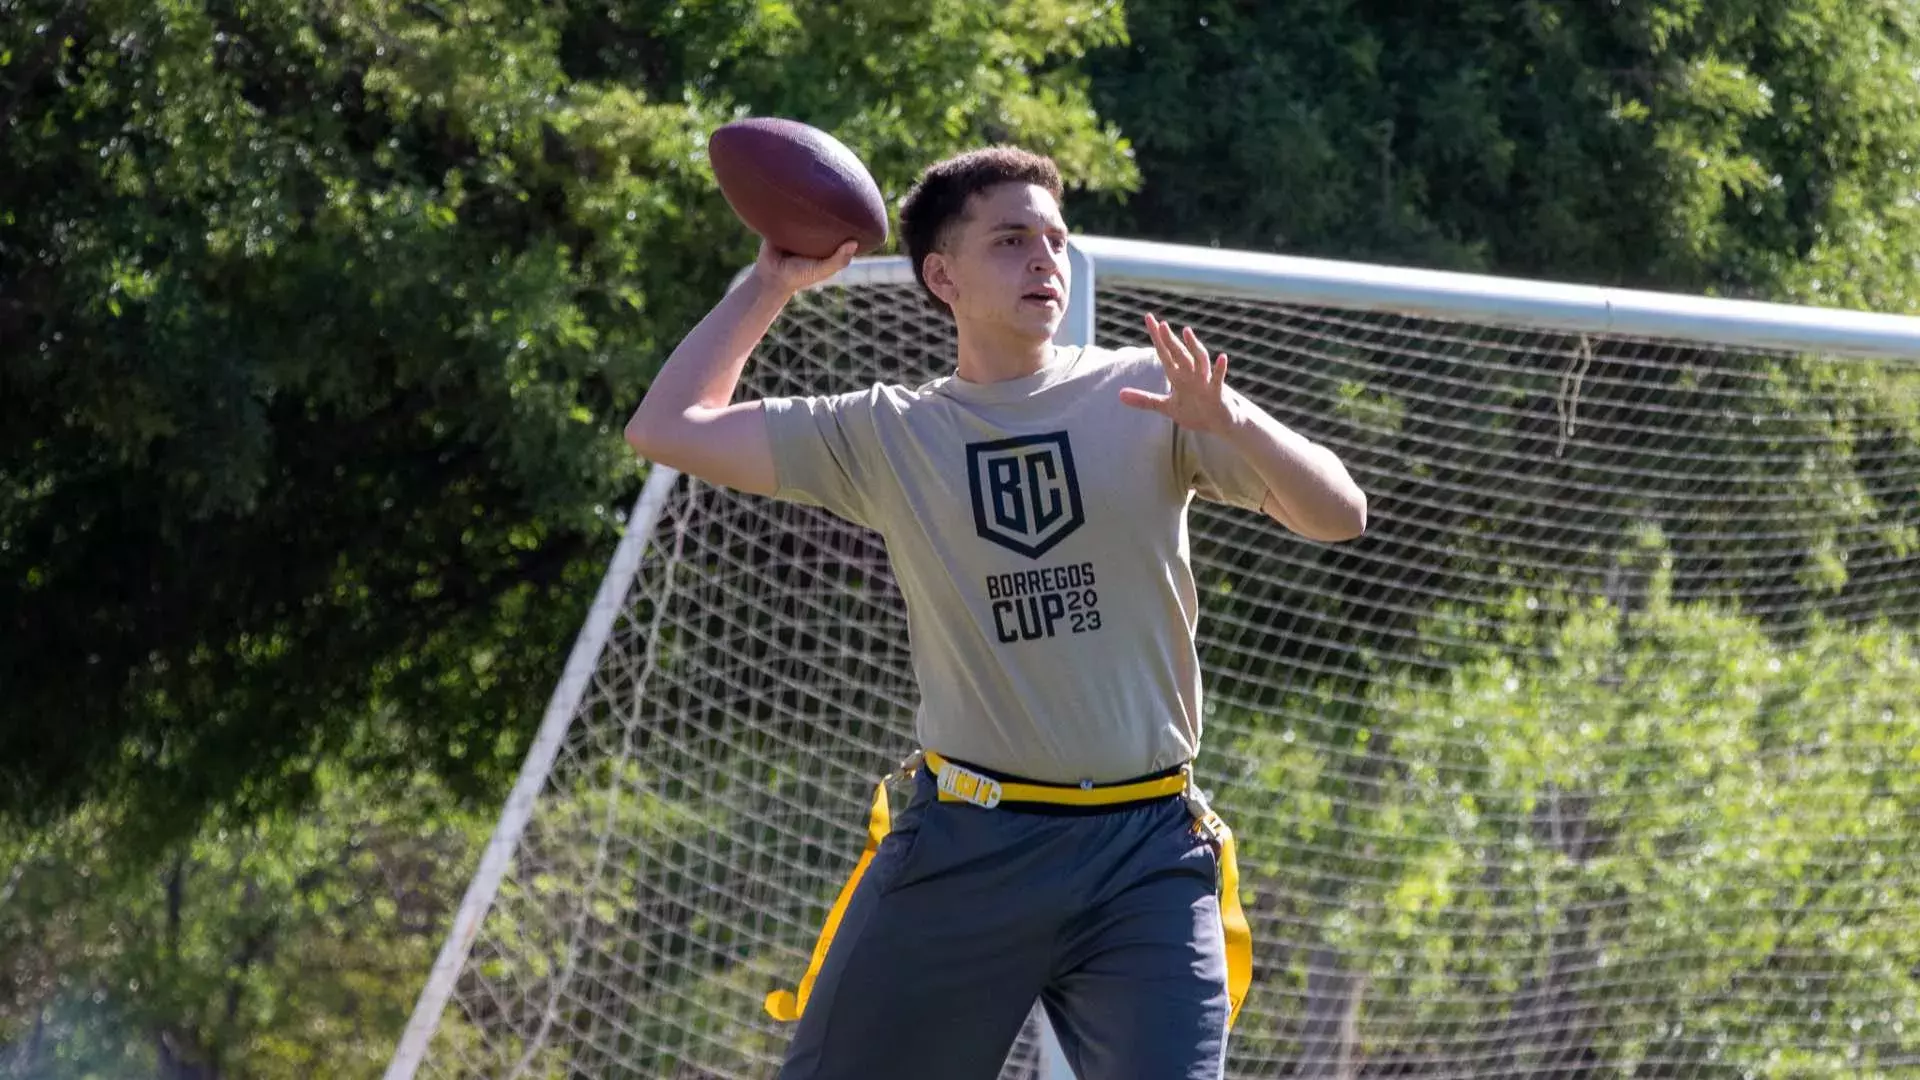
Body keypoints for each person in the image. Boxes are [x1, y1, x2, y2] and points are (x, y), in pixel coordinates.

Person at [625, 146, 1367, 1080]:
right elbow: (665, 428)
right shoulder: (886, 431)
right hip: (967, 845)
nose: (1045, 260)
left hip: (1148, 853)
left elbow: (1342, 516)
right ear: (942, 275)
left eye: (1055, 239)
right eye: (1011, 241)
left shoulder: (1153, 393)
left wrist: (1237, 425)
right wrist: (770, 283)